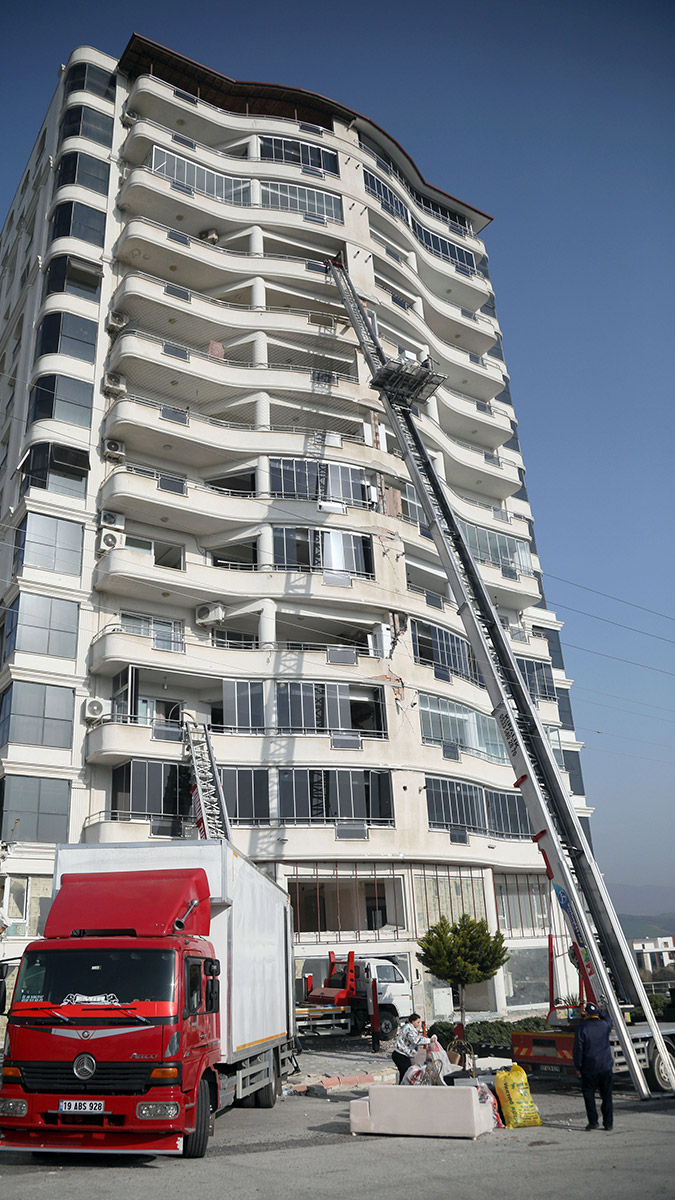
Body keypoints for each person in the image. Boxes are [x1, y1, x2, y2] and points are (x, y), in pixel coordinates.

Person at [573, 1002, 614, 1131]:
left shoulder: (582, 1028)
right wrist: (599, 1010)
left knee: (589, 1096)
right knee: (607, 1096)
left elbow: (578, 1049)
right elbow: (608, 1018)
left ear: (586, 1014)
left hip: (589, 1068)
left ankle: (593, 1121)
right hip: (605, 1066)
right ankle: (608, 1124)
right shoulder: (605, 1025)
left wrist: (578, 1067)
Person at [392, 1013, 429, 1083]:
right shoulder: (409, 1029)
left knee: (405, 1073)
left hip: (401, 1054)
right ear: (413, 1021)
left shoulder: (408, 1027)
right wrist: (429, 1040)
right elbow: (416, 1040)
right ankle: (403, 1089)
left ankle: (402, 1087)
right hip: (400, 1055)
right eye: (417, 1022)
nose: (418, 1024)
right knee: (406, 1073)